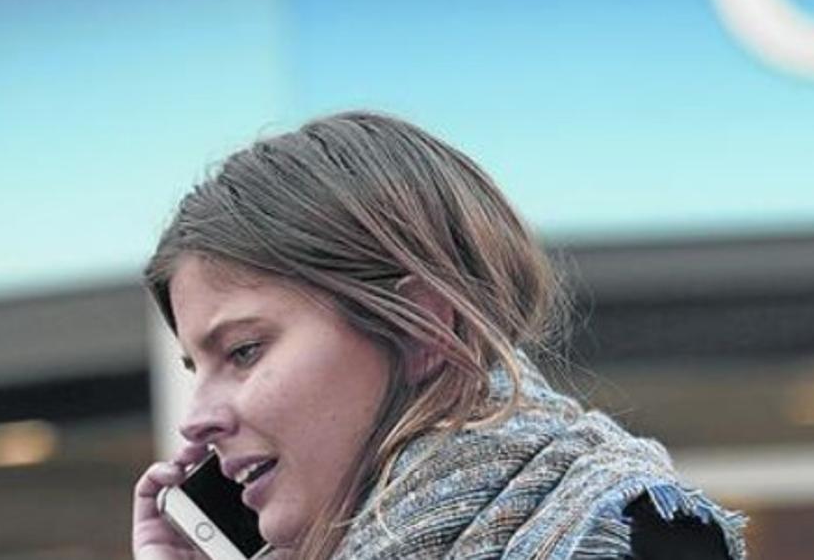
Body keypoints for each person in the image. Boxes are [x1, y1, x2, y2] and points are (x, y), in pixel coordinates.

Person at [131, 112, 746, 559]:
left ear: (421, 326)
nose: (197, 420)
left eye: (243, 351)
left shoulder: (622, 537)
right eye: (195, 367)